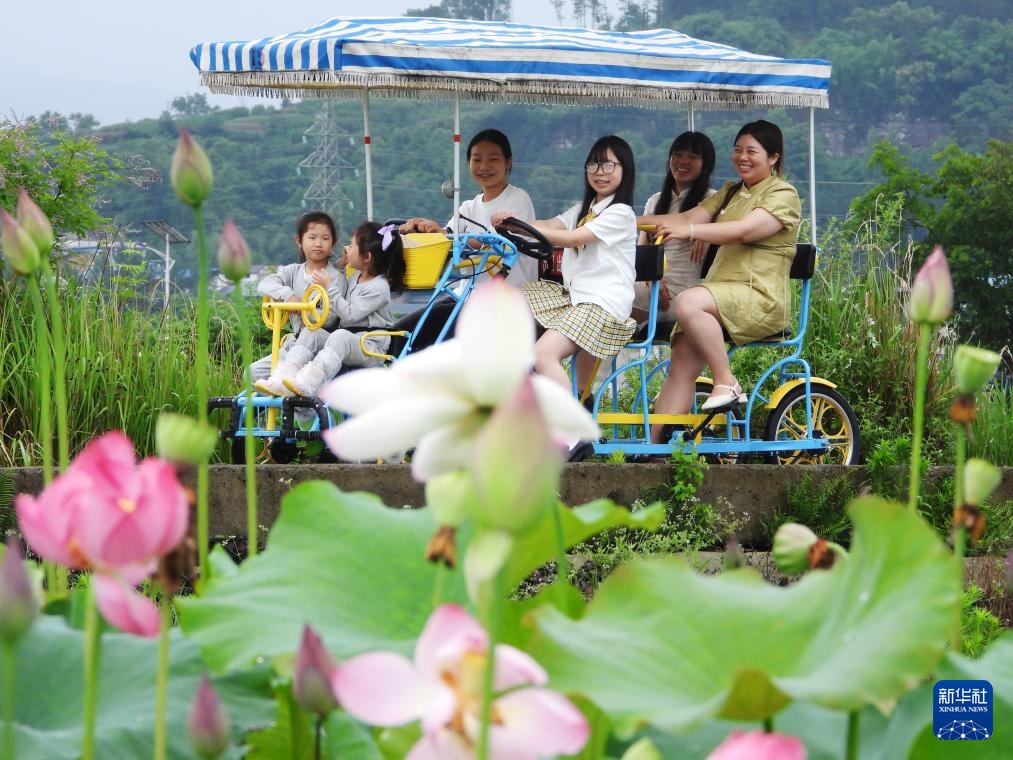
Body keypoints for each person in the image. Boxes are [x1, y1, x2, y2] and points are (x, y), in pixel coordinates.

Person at [640, 120, 801, 439]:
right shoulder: (730, 192)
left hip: (759, 298)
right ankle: (654, 454)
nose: (742, 157)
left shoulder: (783, 193)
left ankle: (726, 380)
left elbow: (744, 231)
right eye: (738, 150)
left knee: (688, 300)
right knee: (680, 367)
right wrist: (621, 223)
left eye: (752, 151)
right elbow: (684, 218)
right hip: (719, 298)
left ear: (773, 158)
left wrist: (690, 231)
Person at [492, 134, 638, 393]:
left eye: (608, 165)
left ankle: (568, 425)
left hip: (603, 305)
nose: (599, 172)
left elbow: (572, 238)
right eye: (593, 165)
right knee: (510, 299)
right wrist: (513, 222)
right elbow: (549, 226)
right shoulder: (583, 209)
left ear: (625, 171)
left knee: (543, 354)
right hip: (576, 298)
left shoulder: (620, 213)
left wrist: (522, 226)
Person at [256, 221, 406, 398]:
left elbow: (350, 316)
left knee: (339, 336)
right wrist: (342, 264)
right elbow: (346, 282)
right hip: (350, 342)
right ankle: (283, 378)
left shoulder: (378, 288)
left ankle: (308, 382)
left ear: (366, 258)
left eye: (352, 245)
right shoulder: (357, 275)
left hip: (370, 348)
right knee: (312, 332)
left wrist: (328, 287)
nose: (346, 248)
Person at [400, 128, 538, 287]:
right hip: (467, 298)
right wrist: (421, 228)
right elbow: (447, 236)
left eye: (493, 159)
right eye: (477, 160)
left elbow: (493, 243)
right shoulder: (467, 208)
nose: (484, 166)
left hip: (509, 299)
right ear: (468, 163)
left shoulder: (518, 198)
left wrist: (444, 234)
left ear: (508, 162)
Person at [250, 211, 346, 384]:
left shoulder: (335, 278)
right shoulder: (293, 271)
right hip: (294, 344)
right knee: (252, 373)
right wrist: (289, 296)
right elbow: (264, 285)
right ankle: (270, 408)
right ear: (299, 241)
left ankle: (290, 402)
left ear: (333, 242)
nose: (318, 244)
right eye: (312, 237)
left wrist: (301, 310)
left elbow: (330, 318)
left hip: (319, 346)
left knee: (289, 377)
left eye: (325, 238)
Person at [632, 131, 716, 321]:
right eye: (677, 154)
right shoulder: (655, 201)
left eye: (692, 157)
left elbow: (727, 229)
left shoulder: (711, 200)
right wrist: (652, 278)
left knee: (606, 298)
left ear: (706, 165)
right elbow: (642, 252)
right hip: (650, 286)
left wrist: (706, 233)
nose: (682, 162)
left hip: (680, 296)